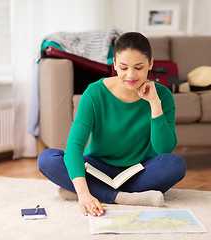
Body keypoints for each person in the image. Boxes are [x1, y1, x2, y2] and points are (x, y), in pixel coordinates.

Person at [37, 32, 186, 217]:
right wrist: (84, 194)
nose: (131, 75)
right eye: (123, 67)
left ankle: (94, 191)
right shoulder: (94, 93)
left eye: (139, 67)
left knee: (176, 164)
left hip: (139, 170)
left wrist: (154, 103)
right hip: (98, 167)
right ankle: (122, 197)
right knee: (47, 158)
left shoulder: (162, 96)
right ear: (114, 64)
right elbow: (74, 147)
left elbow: (164, 149)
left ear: (151, 64)